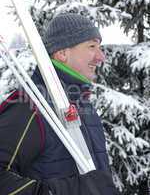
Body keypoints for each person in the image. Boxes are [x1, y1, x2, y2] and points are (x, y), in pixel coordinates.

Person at [0, 13, 119, 195]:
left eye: (100, 47)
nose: (101, 56)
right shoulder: (30, 105)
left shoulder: (84, 106)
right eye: (92, 46)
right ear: (62, 53)